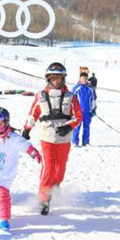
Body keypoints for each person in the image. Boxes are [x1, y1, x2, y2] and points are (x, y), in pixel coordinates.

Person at [22, 62, 82, 215]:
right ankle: (44, 198)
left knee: (59, 169)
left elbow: (78, 116)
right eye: (53, 78)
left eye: (59, 78)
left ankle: (55, 186)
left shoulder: (71, 96)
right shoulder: (41, 96)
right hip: (47, 138)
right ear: (48, 78)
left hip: (64, 139)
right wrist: (27, 129)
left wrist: (69, 126)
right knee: (48, 168)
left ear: (63, 78)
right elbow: (33, 114)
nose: (56, 81)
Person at [0, 107, 41, 231]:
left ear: (6, 122)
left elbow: (25, 145)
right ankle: (0, 204)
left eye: (1, 122)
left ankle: (4, 219)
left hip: (6, 174)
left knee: (2, 195)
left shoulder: (13, 138)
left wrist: (34, 153)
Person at [71, 72, 97, 147]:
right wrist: (72, 111)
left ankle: (86, 142)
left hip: (87, 112)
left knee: (87, 128)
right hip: (78, 112)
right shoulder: (76, 88)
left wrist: (93, 110)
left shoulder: (90, 89)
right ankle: (75, 142)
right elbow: (71, 100)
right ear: (80, 79)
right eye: (82, 78)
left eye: (85, 79)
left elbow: (93, 100)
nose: (84, 80)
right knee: (76, 127)